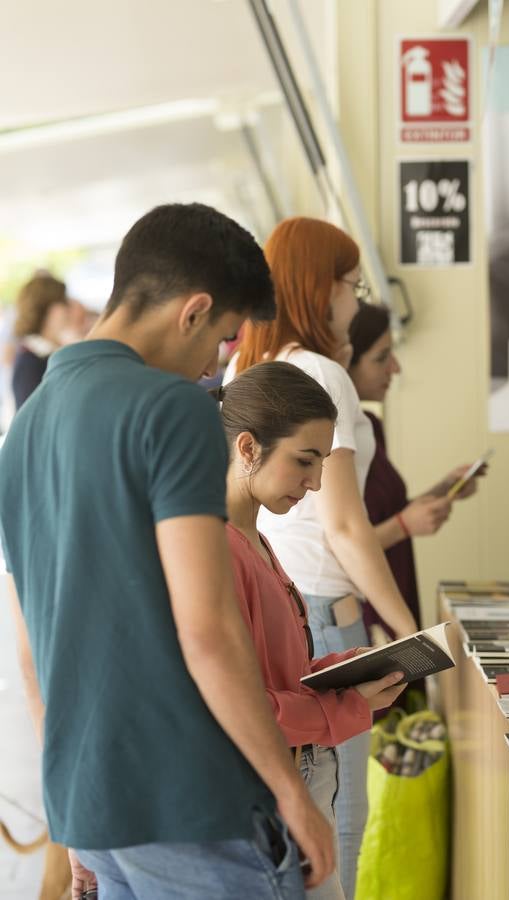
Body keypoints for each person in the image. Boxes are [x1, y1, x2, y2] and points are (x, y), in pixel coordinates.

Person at [0, 203, 336, 900]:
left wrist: (71, 817)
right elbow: (207, 629)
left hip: (95, 805)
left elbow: (32, 649)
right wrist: (290, 792)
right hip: (191, 801)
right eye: (221, 338)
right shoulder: (171, 408)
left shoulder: (25, 428)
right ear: (194, 310)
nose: (213, 366)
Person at [225, 216, 417, 899]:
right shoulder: (322, 377)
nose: (354, 301)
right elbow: (342, 524)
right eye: (350, 284)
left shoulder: (246, 373)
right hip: (323, 619)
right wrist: (404, 637)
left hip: (305, 626)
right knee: (340, 824)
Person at [348, 300, 481, 655]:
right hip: (368, 603)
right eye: (381, 358)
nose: (395, 367)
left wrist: (444, 488)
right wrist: (405, 526)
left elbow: (385, 510)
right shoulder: (336, 443)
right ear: (346, 362)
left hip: (397, 583)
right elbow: (343, 541)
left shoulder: (371, 427)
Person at [11, 273, 70, 409]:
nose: (68, 309)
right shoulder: (30, 362)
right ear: (50, 309)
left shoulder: (47, 353)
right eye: (64, 302)